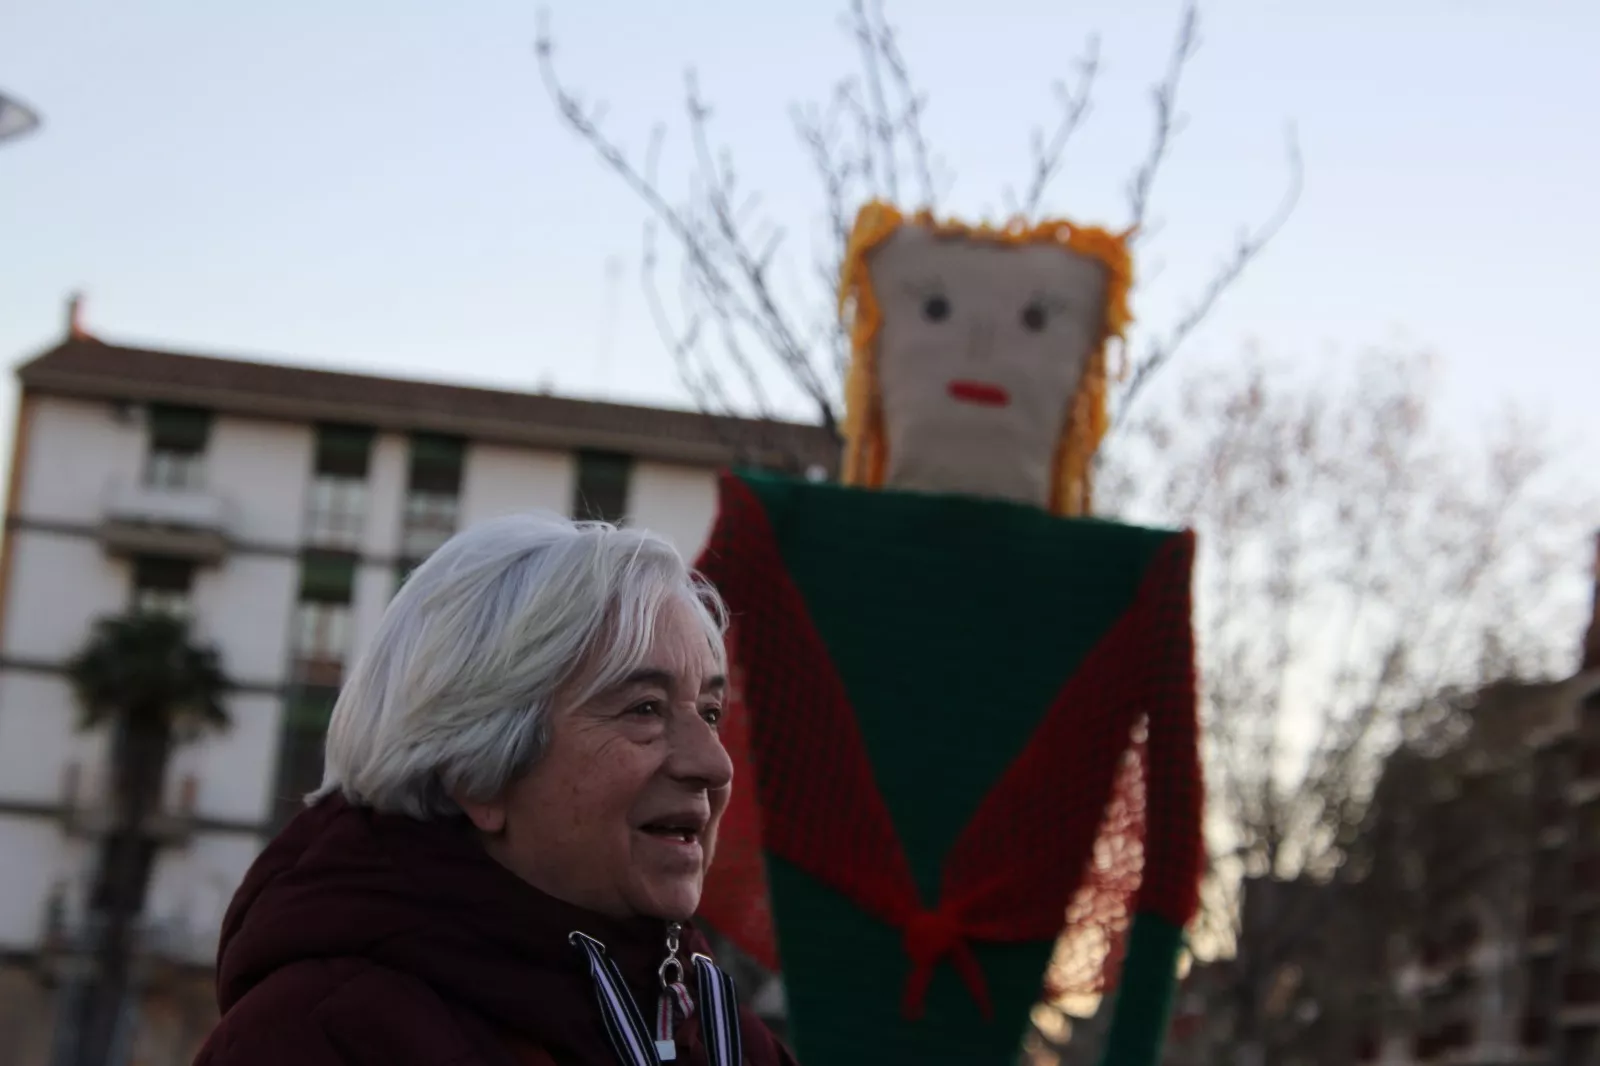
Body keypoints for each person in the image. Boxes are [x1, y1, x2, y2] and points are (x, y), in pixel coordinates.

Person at [195, 514, 797, 1066]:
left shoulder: (725, 1037)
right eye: (644, 708)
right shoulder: (319, 1038)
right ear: (476, 770)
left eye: (711, 712)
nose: (713, 765)